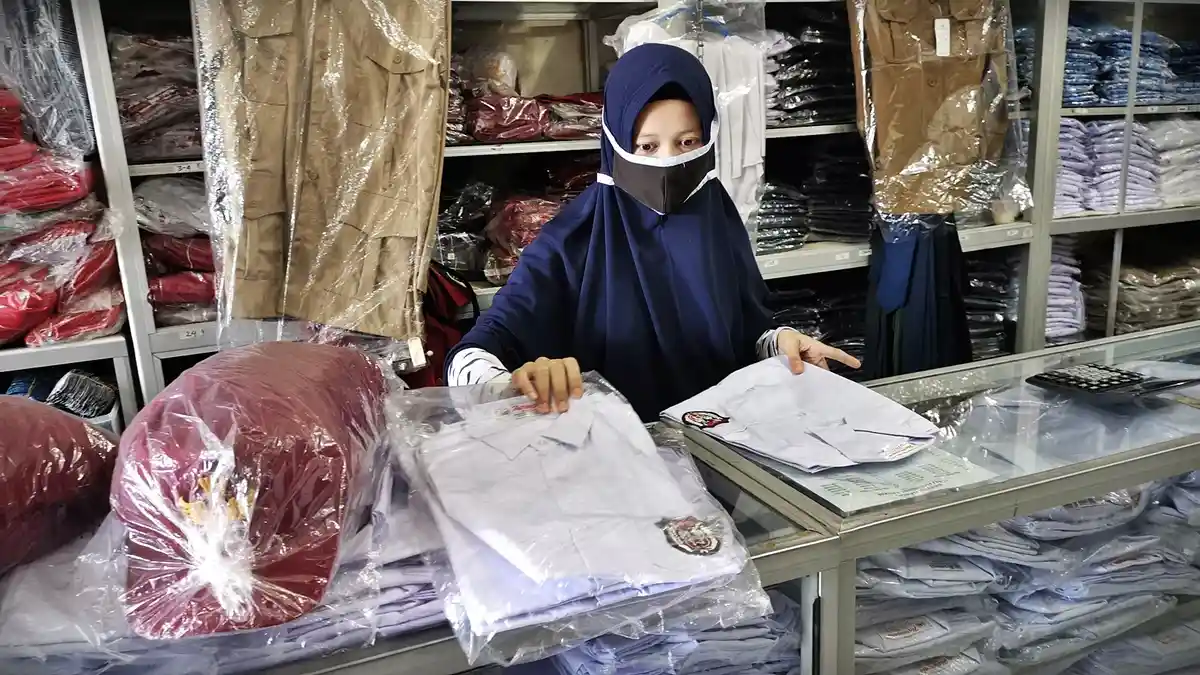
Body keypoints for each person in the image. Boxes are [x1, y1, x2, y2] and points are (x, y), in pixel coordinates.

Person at [446, 42, 859, 420]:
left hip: (723, 444)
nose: (667, 163)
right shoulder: (573, 240)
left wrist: (781, 343)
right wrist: (512, 382)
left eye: (686, 142)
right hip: (618, 463)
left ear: (709, 140)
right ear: (614, 142)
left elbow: (747, 330)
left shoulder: (716, 221)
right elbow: (472, 354)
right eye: (647, 146)